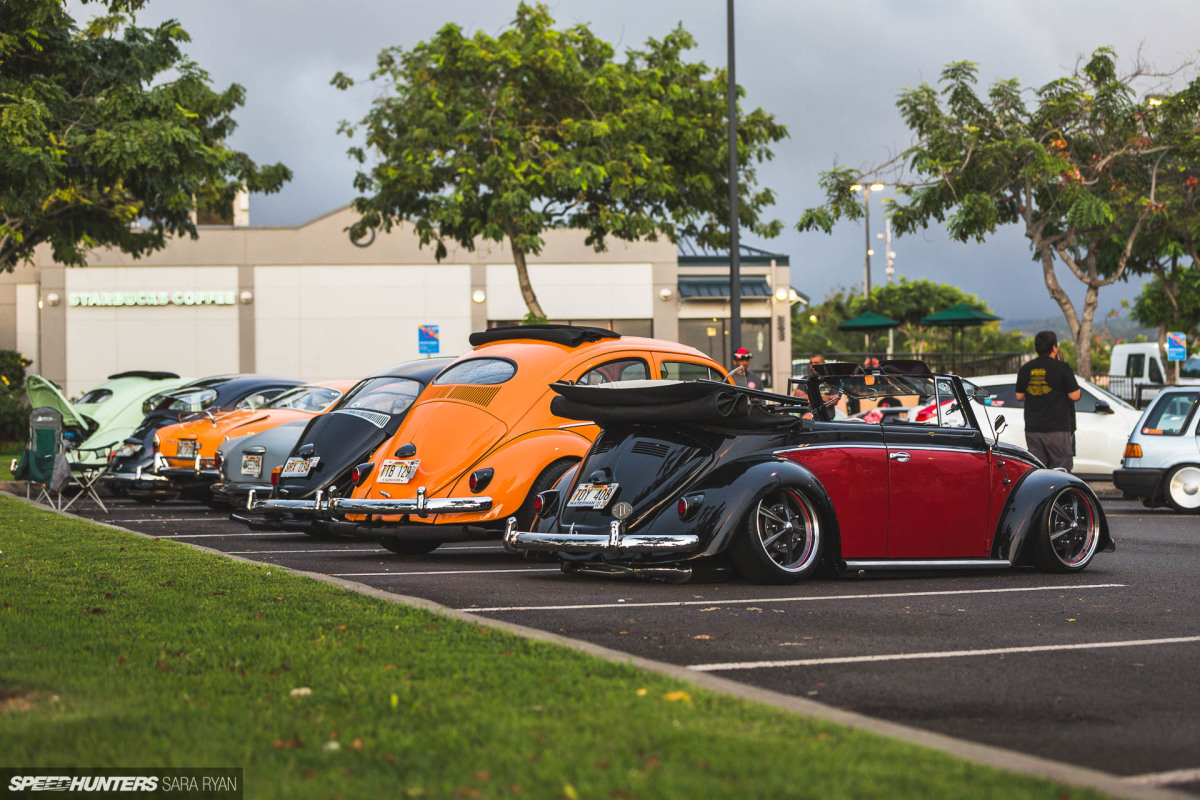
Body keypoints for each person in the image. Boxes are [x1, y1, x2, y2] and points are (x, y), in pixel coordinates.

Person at [1015, 330, 1081, 471]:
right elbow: (1075, 396)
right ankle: (1059, 494)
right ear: (1054, 348)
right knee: (1061, 470)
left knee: (1038, 470)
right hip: (1057, 428)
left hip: (1033, 428)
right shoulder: (1062, 368)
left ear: (1036, 348)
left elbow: (1019, 396)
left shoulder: (1026, 369)